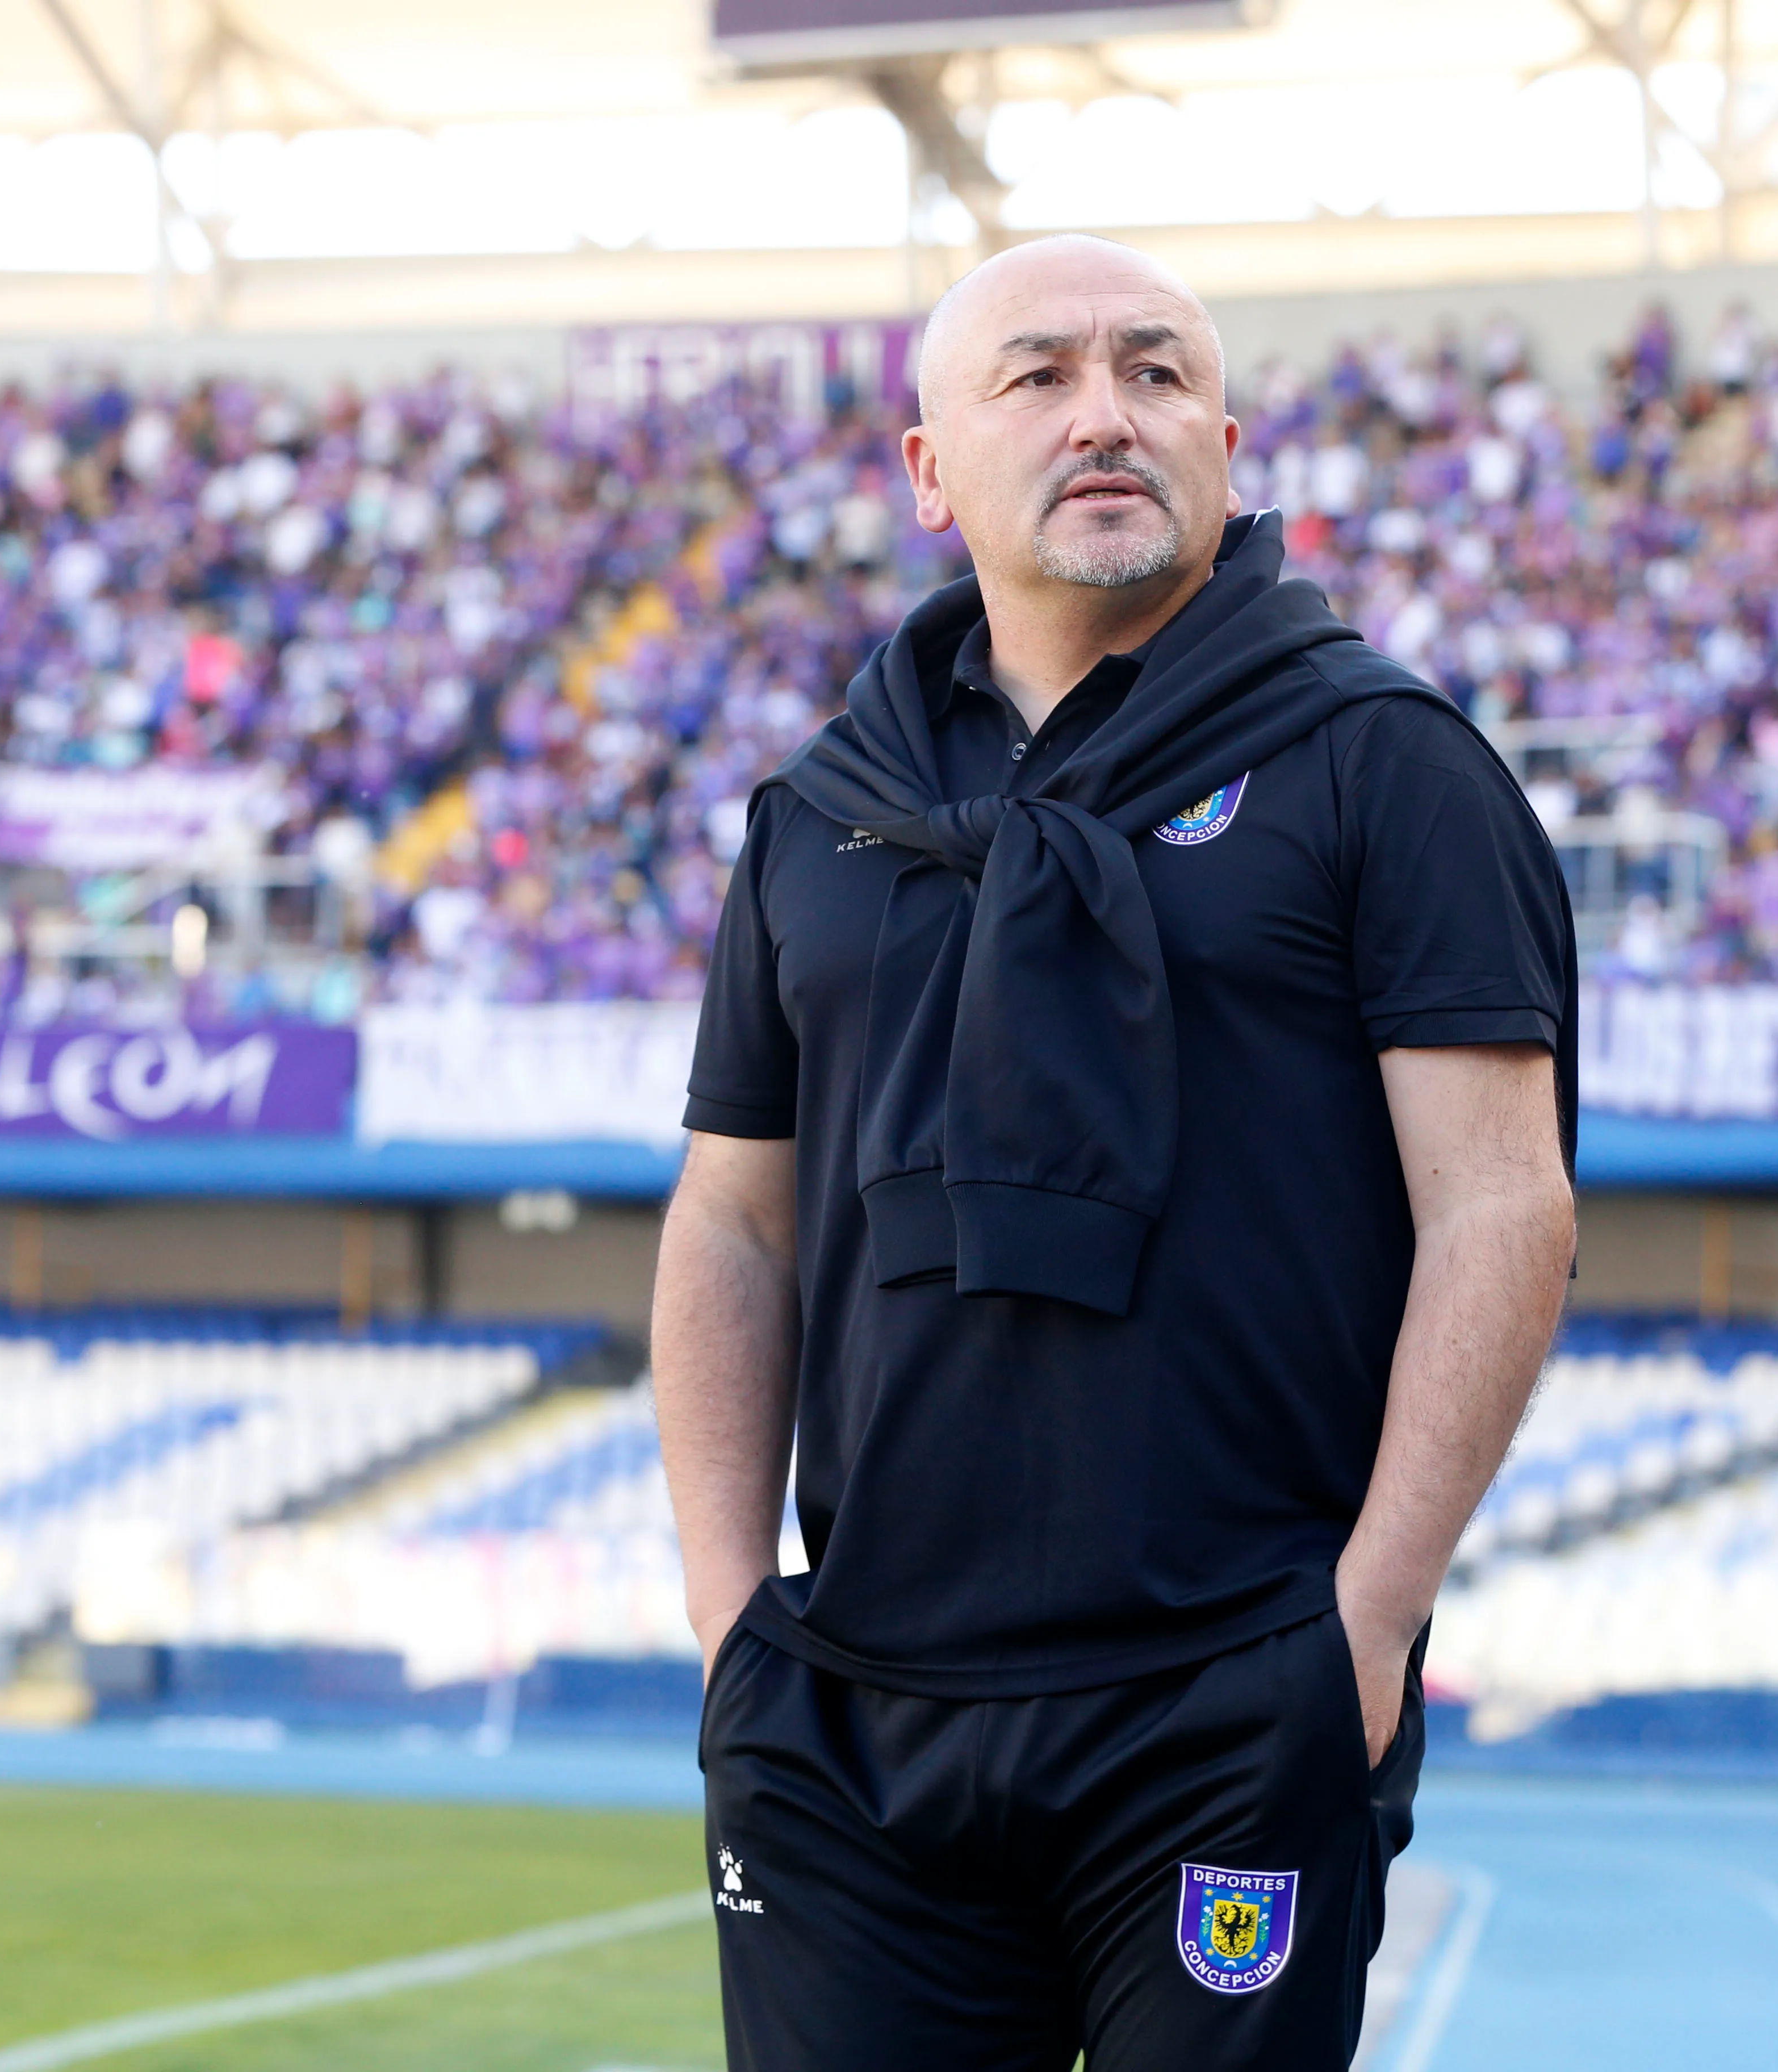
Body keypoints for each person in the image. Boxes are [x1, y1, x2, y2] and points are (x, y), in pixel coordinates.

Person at [654, 233, 1579, 2072]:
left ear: (1226, 444)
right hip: (851, 1714)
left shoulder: (1379, 762)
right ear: (929, 468)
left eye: (1156, 375)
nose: (1106, 414)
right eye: (1041, 375)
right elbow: (731, 1223)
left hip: (1226, 1695)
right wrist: (727, 1630)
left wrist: (1361, 1627)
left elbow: (1502, 1200)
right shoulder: (819, 815)